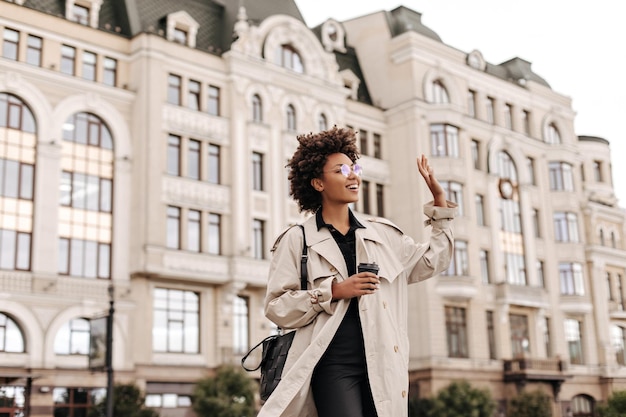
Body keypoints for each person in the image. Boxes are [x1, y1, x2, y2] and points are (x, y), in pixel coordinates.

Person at [258, 127, 456, 417]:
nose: (353, 176)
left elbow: (432, 260)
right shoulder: (297, 239)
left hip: (385, 363)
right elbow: (277, 307)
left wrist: (440, 204)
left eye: (354, 168)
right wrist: (334, 291)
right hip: (332, 363)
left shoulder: (384, 234)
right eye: (341, 170)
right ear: (317, 183)